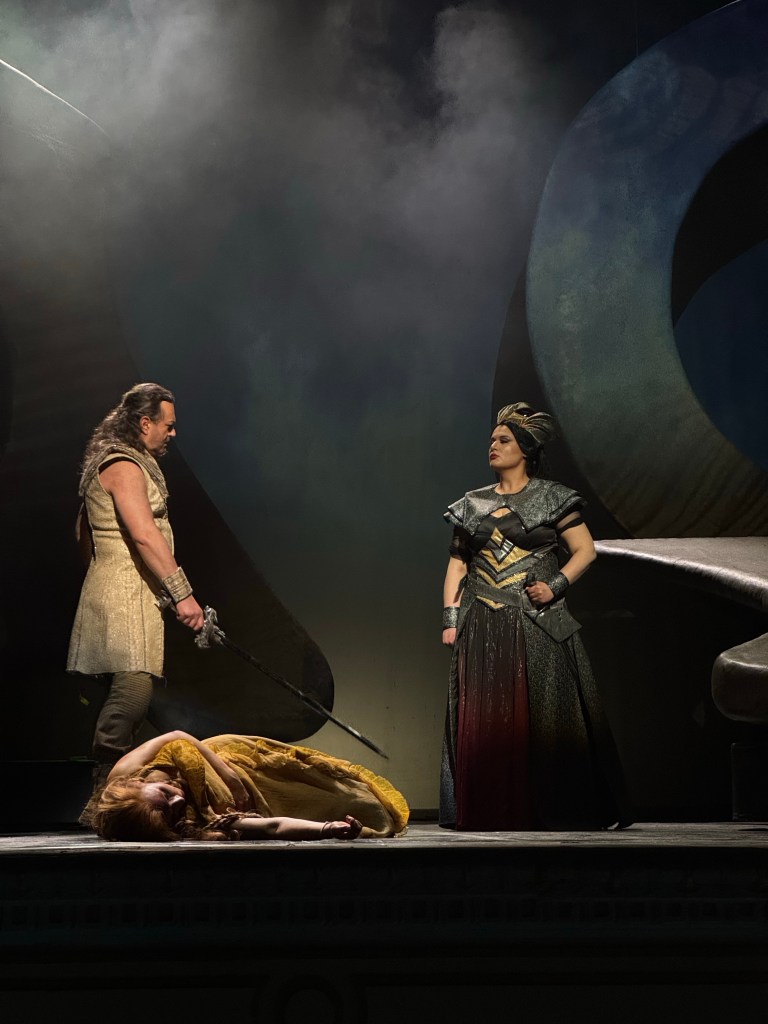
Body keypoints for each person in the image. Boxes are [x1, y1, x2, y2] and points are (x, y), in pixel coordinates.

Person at [439, 402, 631, 831]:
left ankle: (555, 806)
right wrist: (451, 619)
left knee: (548, 709)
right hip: (482, 619)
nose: (493, 445)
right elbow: (457, 565)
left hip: (537, 617)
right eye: (492, 439)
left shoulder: (553, 497)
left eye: (503, 440)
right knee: (486, 716)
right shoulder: (471, 504)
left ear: (525, 449)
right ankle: (489, 807)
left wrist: (555, 585)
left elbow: (585, 551)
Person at [67, 383, 205, 822]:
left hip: (123, 591)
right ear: (145, 423)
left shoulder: (113, 462)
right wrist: (183, 594)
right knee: (132, 692)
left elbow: (82, 534)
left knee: (129, 694)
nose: (173, 433)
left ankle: (114, 799)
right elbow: (144, 534)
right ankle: (103, 800)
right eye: (168, 425)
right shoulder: (124, 465)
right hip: (125, 597)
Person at [91, 730, 410, 841]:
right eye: (170, 810)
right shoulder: (189, 823)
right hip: (256, 800)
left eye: (165, 793)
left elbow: (177, 736)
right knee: (358, 808)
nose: (178, 797)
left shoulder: (124, 772)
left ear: (136, 784)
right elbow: (272, 826)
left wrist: (227, 775)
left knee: (334, 783)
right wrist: (327, 829)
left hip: (229, 761)